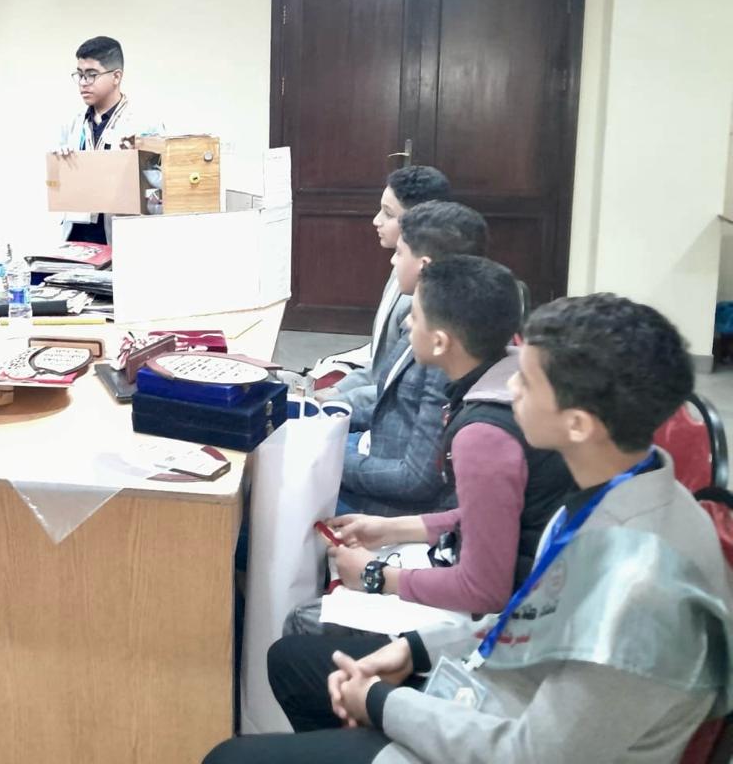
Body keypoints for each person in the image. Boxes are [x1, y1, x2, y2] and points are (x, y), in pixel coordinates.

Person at [205, 294, 733, 764]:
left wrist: (384, 704)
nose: (510, 386)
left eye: (527, 380)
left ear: (578, 423)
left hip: (504, 731)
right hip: (498, 690)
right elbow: (533, 617)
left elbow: (532, 751)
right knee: (293, 662)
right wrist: (415, 648)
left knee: (229, 757)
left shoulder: (635, 594)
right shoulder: (625, 485)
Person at [277, 257, 576, 724]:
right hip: (520, 582)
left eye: (413, 317)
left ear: (440, 341)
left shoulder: (483, 433)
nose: (405, 326)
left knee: (301, 627)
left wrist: (376, 576)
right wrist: (395, 528)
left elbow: (484, 589)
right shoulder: (508, 376)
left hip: (506, 621)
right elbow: (491, 512)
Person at [339, 201, 488, 516]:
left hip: (390, 507)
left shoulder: (442, 350)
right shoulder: (421, 317)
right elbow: (391, 404)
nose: (392, 261)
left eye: (399, 253)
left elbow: (416, 479)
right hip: (372, 450)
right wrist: (327, 416)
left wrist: (329, 460)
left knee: (264, 503)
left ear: (424, 266)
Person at [317, 166, 451, 410]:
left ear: (419, 221)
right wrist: (339, 389)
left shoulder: (422, 299)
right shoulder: (399, 267)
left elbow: (400, 388)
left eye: (388, 214)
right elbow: (381, 362)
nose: (376, 220)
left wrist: (337, 401)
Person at [56, 36, 163, 244]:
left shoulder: (144, 125)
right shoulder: (72, 123)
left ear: (116, 76)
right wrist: (60, 168)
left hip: (122, 236)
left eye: (91, 75)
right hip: (76, 237)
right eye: (79, 75)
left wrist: (138, 162)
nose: (83, 83)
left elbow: (160, 189)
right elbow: (57, 185)